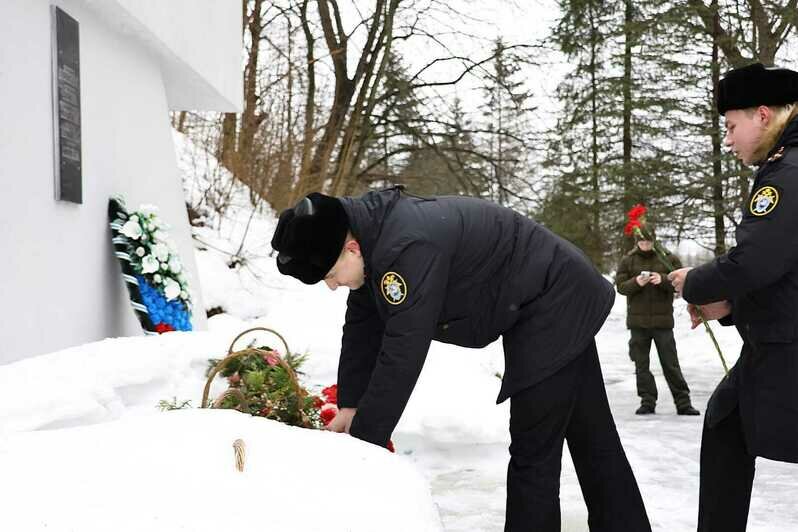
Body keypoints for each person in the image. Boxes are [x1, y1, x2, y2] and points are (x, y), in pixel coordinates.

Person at [271, 187, 651, 531]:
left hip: (553, 301)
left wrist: (364, 443)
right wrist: (351, 404)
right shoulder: (373, 237)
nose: (333, 285)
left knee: (534, 449)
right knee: (591, 435)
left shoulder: (406, 249)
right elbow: (362, 324)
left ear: (350, 248)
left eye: (332, 275)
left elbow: (403, 350)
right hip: (553, 294)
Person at [667, 63, 798, 532]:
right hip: (775, 343)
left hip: (787, 348)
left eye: (730, 125)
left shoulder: (787, 173)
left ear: (762, 114)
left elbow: (756, 262)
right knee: (726, 425)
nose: (727, 139)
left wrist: (697, 283)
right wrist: (731, 306)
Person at [615, 228, 699, 416]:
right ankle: (647, 401)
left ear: (654, 240)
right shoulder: (628, 260)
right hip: (638, 324)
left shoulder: (667, 258)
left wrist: (661, 280)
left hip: (663, 323)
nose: (645, 245)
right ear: (637, 242)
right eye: (642, 242)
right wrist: (637, 282)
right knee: (641, 365)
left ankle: (683, 403)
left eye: (648, 242)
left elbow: (680, 283)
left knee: (670, 364)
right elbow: (620, 287)